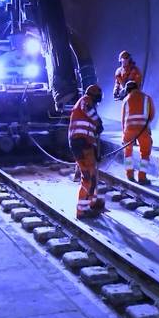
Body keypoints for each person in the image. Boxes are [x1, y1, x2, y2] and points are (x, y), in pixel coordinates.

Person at [69, 85, 105, 218]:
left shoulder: (84, 111)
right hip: (81, 144)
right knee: (88, 178)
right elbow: (90, 112)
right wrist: (99, 122)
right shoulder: (85, 100)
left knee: (92, 175)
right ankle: (82, 210)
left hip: (84, 144)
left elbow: (91, 135)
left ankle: (91, 203)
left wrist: (96, 153)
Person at [121, 80, 155, 184]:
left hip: (129, 130)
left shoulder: (125, 100)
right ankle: (142, 177)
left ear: (127, 90)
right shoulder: (147, 98)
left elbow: (123, 118)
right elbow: (152, 114)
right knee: (145, 153)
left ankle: (129, 175)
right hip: (143, 130)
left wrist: (124, 132)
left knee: (128, 153)